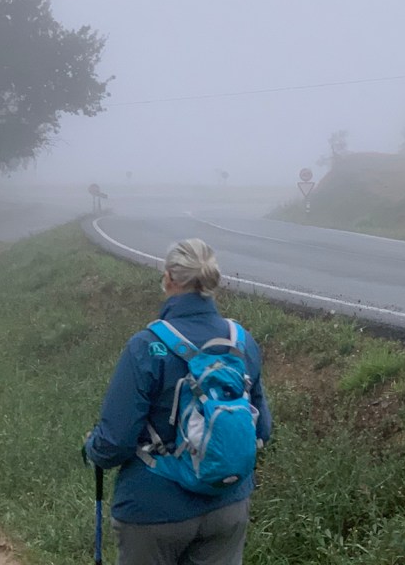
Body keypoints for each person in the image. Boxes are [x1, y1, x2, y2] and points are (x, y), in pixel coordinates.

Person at [84, 238, 272, 565]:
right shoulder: (241, 342)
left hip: (154, 509)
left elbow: (115, 442)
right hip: (227, 505)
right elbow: (263, 429)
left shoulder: (146, 346)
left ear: (170, 277)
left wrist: (92, 449)